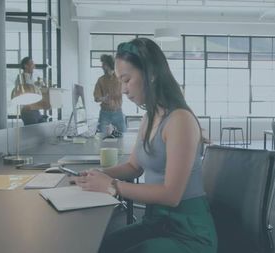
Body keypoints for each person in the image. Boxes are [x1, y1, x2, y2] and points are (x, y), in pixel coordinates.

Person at [72, 38, 217, 253]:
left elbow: (171, 195)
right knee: (102, 247)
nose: (122, 89)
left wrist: (112, 186)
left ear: (151, 73)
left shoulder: (180, 120)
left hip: (188, 233)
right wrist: (97, 175)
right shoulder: (149, 117)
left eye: (126, 80)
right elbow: (134, 166)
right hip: (157, 223)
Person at [93, 54, 126, 134]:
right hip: (105, 113)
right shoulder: (101, 80)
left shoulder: (120, 78)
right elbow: (96, 98)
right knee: (100, 136)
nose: (102, 66)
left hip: (118, 112)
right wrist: (103, 98)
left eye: (103, 64)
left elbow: (127, 89)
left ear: (108, 65)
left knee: (124, 135)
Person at [13, 57, 46, 125]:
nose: (34, 66)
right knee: (33, 133)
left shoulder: (30, 78)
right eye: (32, 64)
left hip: (35, 110)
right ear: (26, 66)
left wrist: (36, 85)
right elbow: (27, 92)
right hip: (28, 110)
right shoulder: (22, 77)